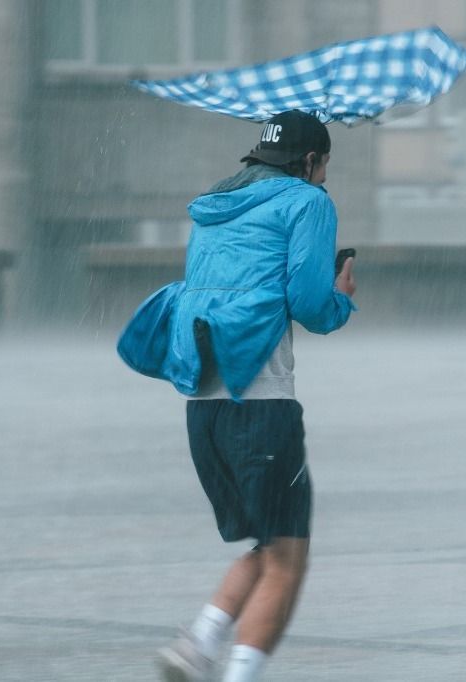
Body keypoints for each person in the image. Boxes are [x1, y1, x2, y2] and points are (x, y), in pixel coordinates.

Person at [120, 109, 356, 682]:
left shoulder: (214, 209)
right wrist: (341, 294)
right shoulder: (308, 202)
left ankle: (197, 646)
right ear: (309, 162)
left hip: (204, 411)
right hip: (263, 406)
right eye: (324, 167)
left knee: (267, 547)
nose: (325, 178)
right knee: (289, 560)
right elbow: (309, 305)